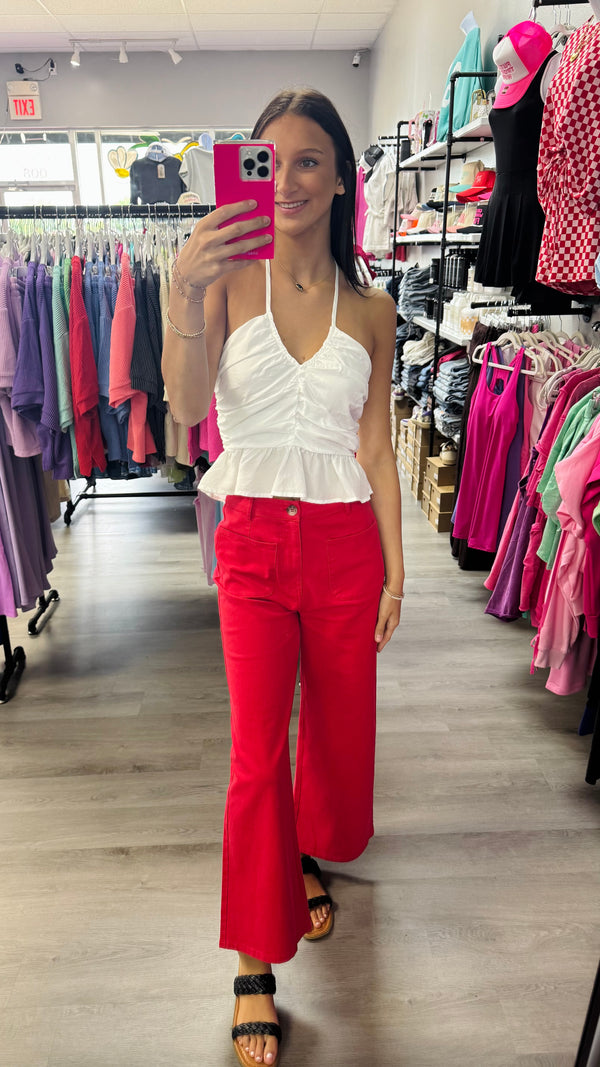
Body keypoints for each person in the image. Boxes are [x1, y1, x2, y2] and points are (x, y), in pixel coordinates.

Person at [162, 87, 404, 1067]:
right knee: (257, 755)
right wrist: (183, 296)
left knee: (337, 732)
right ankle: (253, 966)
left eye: (311, 159)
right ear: (247, 174)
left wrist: (397, 571)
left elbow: (377, 447)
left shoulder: (374, 309)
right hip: (255, 541)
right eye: (270, 161)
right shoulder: (224, 284)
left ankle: (301, 857)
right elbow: (186, 410)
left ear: (343, 177)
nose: (290, 179)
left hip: (347, 544)